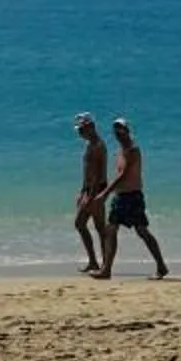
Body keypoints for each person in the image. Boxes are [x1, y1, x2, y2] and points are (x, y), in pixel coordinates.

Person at [100, 117, 168, 279]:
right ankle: (106, 269)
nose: (118, 133)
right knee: (111, 229)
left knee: (142, 231)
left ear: (127, 131)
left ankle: (161, 265)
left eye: (121, 129)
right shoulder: (120, 151)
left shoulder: (132, 150)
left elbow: (123, 175)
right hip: (121, 195)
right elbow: (118, 174)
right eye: (115, 130)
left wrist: (105, 192)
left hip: (132, 196)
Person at [73, 114, 108, 275]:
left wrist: (92, 196)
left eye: (82, 130)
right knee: (80, 224)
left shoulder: (99, 146)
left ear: (90, 128)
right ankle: (93, 261)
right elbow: (87, 172)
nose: (80, 133)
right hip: (89, 189)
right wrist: (82, 192)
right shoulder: (90, 144)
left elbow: (97, 174)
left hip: (97, 189)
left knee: (100, 228)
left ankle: (104, 265)